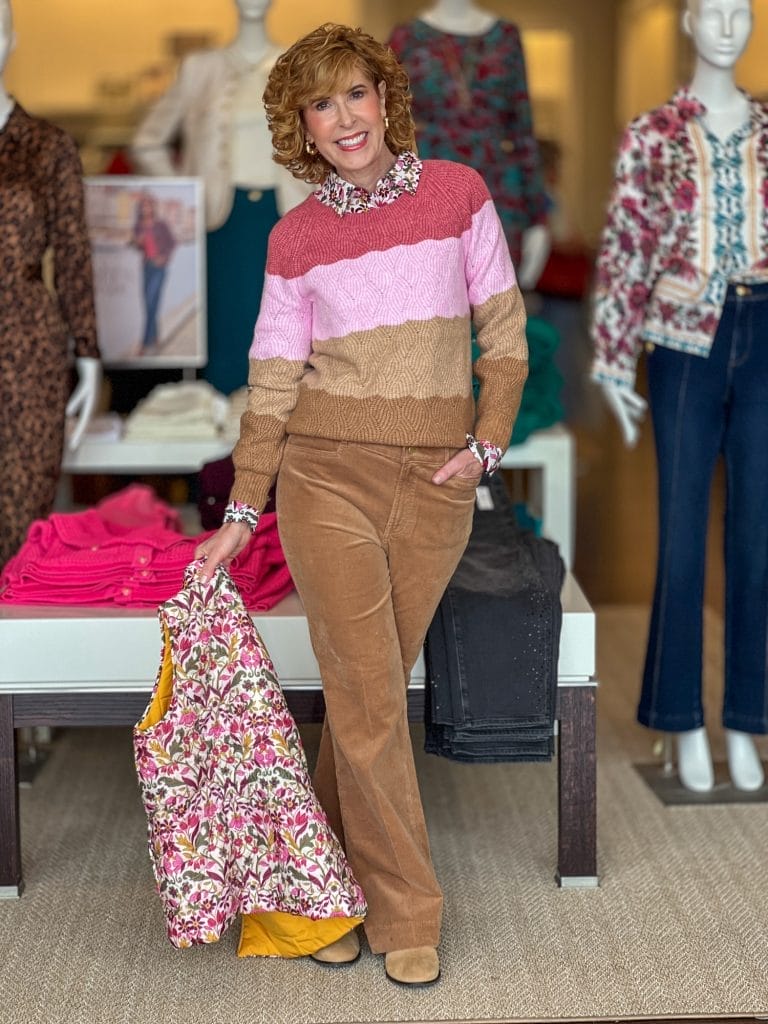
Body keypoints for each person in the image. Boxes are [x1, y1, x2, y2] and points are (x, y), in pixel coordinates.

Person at [196, 23, 528, 985]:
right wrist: (241, 512)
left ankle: (308, 894)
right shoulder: (294, 238)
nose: (343, 118)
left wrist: (485, 444)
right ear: (300, 125)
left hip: (436, 484)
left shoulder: (460, 194)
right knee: (374, 700)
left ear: (386, 98)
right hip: (324, 476)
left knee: (359, 703)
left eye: (356, 94)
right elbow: (272, 379)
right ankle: (406, 910)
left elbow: (502, 332)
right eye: (320, 103)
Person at [591, 0, 767, 793]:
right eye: (714, 11)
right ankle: (680, 720)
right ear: (689, 22)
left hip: (764, 334)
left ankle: (746, 720)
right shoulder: (653, 132)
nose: (729, 25)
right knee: (681, 531)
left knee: (758, 537)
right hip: (683, 340)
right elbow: (628, 243)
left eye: (743, 11)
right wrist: (610, 354)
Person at [131, 0, 309, 394]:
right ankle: (220, 444)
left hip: (289, 218)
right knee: (225, 332)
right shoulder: (200, 68)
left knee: (288, 334)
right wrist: (187, 190)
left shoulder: (301, 66)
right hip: (219, 224)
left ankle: (284, 438)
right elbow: (147, 143)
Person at [0, 0, 100, 568]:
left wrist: (87, 352)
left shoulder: (46, 146)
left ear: (12, 41)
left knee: (20, 517)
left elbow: (72, 252)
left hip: (27, 346)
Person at [388, 0, 550, 289]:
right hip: (428, 185)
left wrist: (538, 217)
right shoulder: (406, 38)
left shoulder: (507, 37)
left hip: (498, 187)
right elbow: (387, 127)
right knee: (430, 303)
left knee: (496, 308)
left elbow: (523, 128)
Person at [131, 192, 175, 352]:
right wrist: (137, 243)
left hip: (159, 267)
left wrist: (164, 257)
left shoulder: (160, 225)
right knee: (149, 304)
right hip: (146, 266)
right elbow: (136, 246)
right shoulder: (138, 226)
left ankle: (144, 343)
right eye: (143, 206)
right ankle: (155, 337)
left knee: (151, 302)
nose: (145, 209)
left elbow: (172, 242)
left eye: (148, 206)